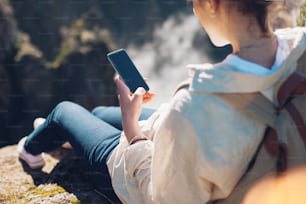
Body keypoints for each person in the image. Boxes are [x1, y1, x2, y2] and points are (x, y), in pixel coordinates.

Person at [17, 0, 306, 203]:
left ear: (212, 3)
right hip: (244, 147)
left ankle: (30, 151)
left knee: (65, 112)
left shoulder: (193, 108)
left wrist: (132, 130)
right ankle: (72, 141)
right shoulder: (300, 52)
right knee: (100, 112)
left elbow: (161, 198)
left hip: (141, 179)